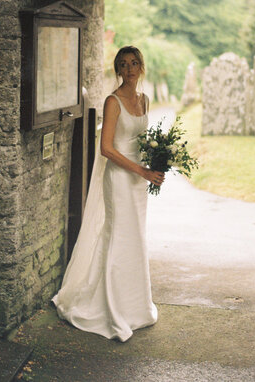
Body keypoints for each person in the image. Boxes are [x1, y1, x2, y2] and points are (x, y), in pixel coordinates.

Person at [52, 46, 164, 342]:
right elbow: (107, 149)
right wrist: (140, 171)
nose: (129, 69)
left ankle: (135, 306)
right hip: (119, 178)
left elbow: (144, 142)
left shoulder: (145, 100)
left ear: (142, 67)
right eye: (124, 64)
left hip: (139, 181)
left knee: (136, 237)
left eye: (134, 63)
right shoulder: (112, 101)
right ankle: (107, 306)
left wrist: (156, 167)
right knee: (117, 235)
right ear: (118, 69)